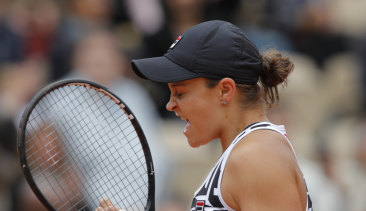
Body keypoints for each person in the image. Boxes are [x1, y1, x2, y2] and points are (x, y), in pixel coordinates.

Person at [96, 20, 313, 211]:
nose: (170, 105)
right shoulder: (250, 152)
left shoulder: (256, 158)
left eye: (180, 93)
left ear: (225, 90)